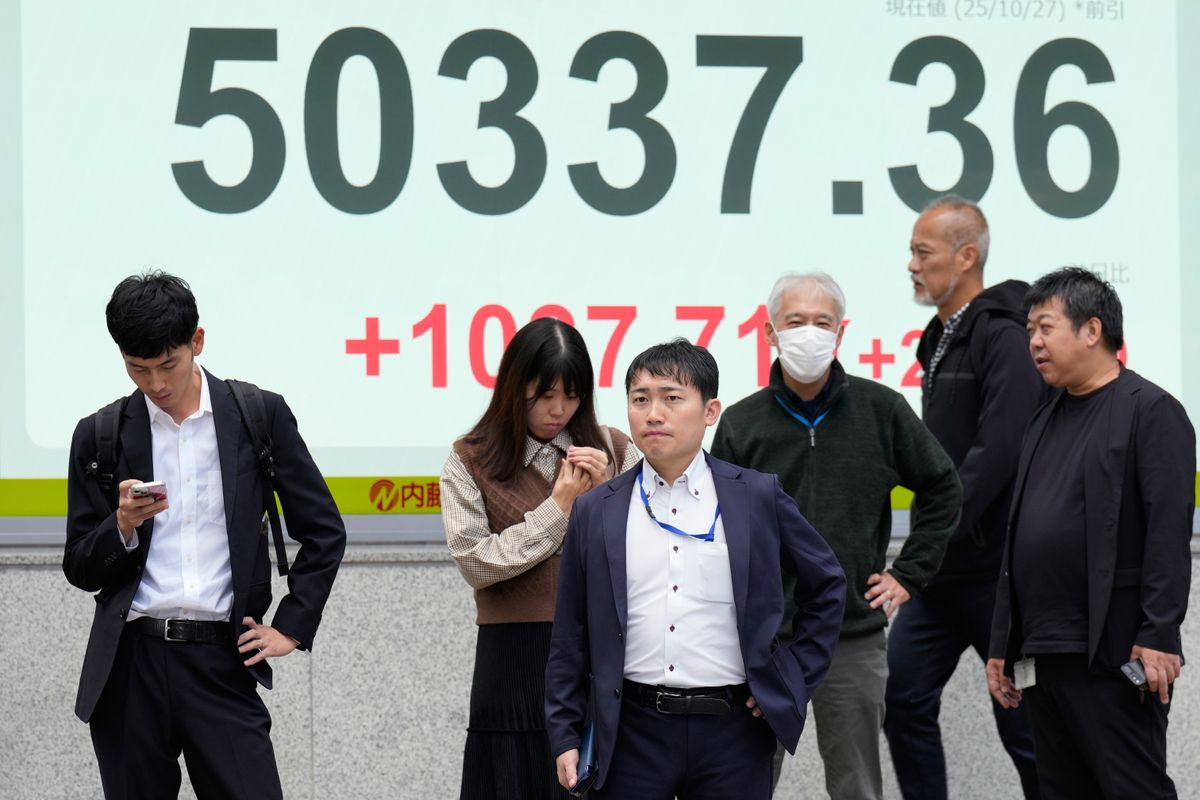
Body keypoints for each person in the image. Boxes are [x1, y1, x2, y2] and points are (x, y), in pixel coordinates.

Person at [63, 271, 347, 799]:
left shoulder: (257, 415)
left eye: (167, 364)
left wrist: (291, 626)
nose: (156, 383)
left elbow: (324, 530)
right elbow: (79, 565)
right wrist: (122, 525)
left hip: (222, 660)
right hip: (131, 665)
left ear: (197, 341)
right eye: (138, 368)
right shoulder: (100, 434)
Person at [546, 339, 846, 799]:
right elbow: (570, 628)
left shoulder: (755, 496)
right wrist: (564, 733)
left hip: (733, 731)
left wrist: (793, 677)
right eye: (640, 399)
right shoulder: (598, 509)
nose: (653, 414)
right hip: (630, 732)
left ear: (710, 412)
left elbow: (827, 584)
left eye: (672, 398)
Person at [711, 272, 962, 799]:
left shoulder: (882, 410)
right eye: (795, 321)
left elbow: (942, 487)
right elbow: (718, 529)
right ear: (769, 332)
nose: (809, 333)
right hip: (765, 642)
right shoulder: (741, 423)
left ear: (841, 333)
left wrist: (907, 574)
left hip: (852, 636)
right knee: (742, 782)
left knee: (857, 787)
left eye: (822, 322)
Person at [987, 267, 1194, 798]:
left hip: (1114, 653)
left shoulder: (1151, 411)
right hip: (1042, 654)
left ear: (1092, 330)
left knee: (1132, 788)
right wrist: (1003, 643)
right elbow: (1018, 538)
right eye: (1030, 331)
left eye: (1045, 327)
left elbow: (1168, 537)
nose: (1034, 342)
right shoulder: (1042, 419)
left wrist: (1158, 634)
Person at [441, 317, 639, 800]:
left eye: (571, 396)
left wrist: (606, 500)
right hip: (512, 656)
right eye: (544, 395)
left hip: (599, 648)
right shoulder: (470, 458)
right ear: (515, 387)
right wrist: (559, 508)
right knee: (511, 778)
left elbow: (651, 550)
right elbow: (475, 561)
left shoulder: (613, 449)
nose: (558, 410)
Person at [885, 195, 1042, 799]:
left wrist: (938, 530)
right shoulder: (938, 337)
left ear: (966, 255)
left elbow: (999, 451)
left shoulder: (1003, 334)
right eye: (911, 252)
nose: (911, 265)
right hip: (942, 571)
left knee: (1024, 721)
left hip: (998, 573)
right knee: (901, 699)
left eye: (922, 252)